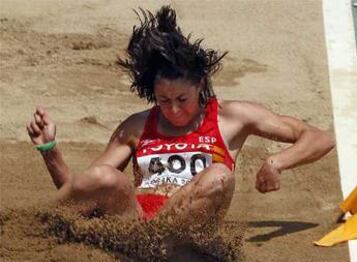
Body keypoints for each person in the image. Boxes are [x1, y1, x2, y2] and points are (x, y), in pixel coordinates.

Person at [26, 6, 334, 231]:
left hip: (189, 233)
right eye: (163, 101)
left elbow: (321, 137)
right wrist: (49, 151)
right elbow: (81, 191)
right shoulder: (136, 126)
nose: (173, 110)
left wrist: (277, 162)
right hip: (135, 228)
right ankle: (29, 233)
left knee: (219, 176)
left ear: (200, 86)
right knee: (107, 177)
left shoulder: (231, 117)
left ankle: (157, 241)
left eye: (182, 100)